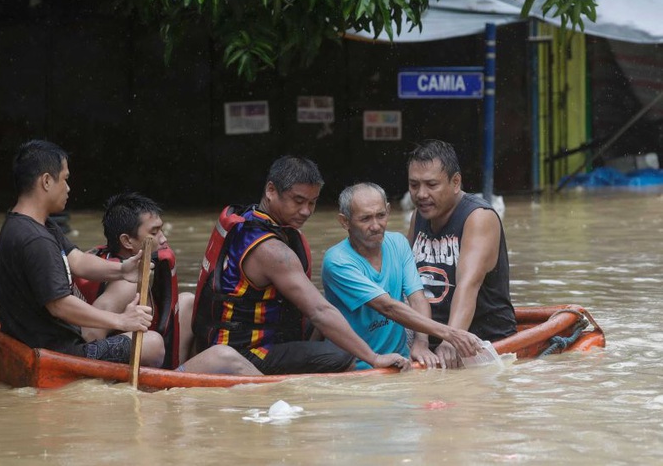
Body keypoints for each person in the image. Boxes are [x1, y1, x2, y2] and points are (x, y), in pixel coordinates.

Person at [192, 156, 412, 375]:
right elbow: (318, 311)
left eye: (312, 202)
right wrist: (374, 358)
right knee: (340, 357)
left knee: (330, 312)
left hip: (255, 334)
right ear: (271, 190)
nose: (307, 211)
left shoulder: (250, 219)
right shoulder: (271, 250)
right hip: (247, 351)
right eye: (298, 201)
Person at [0, 140, 164, 367]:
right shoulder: (35, 239)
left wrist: (123, 269)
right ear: (46, 181)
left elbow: (78, 260)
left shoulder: (34, 225)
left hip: (47, 342)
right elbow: (60, 305)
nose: (68, 188)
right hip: (57, 353)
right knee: (153, 343)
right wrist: (121, 320)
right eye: (64, 179)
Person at [76, 192, 261, 375]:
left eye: (161, 230)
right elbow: (90, 334)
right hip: (135, 365)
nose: (163, 239)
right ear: (127, 241)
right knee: (225, 356)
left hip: (155, 360)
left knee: (187, 301)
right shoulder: (127, 283)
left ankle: (177, 371)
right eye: (154, 233)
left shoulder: (106, 259)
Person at [321, 182, 483, 370]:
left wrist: (421, 342)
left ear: (388, 211)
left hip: (402, 361)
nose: (375, 226)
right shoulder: (337, 261)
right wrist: (450, 333)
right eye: (365, 219)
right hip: (357, 367)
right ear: (345, 222)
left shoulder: (398, 243)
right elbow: (386, 306)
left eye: (381, 215)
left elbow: (417, 298)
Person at [406, 139, 517, 368]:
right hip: (432, 335)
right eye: (414, 185)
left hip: (478, 338)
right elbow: (409, 284)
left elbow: (468, 286)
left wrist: (451, 339)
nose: (421, 194)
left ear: (455, 182)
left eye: (431, 184)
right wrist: (421, 339)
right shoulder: (419, 217)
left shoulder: (478, 217)